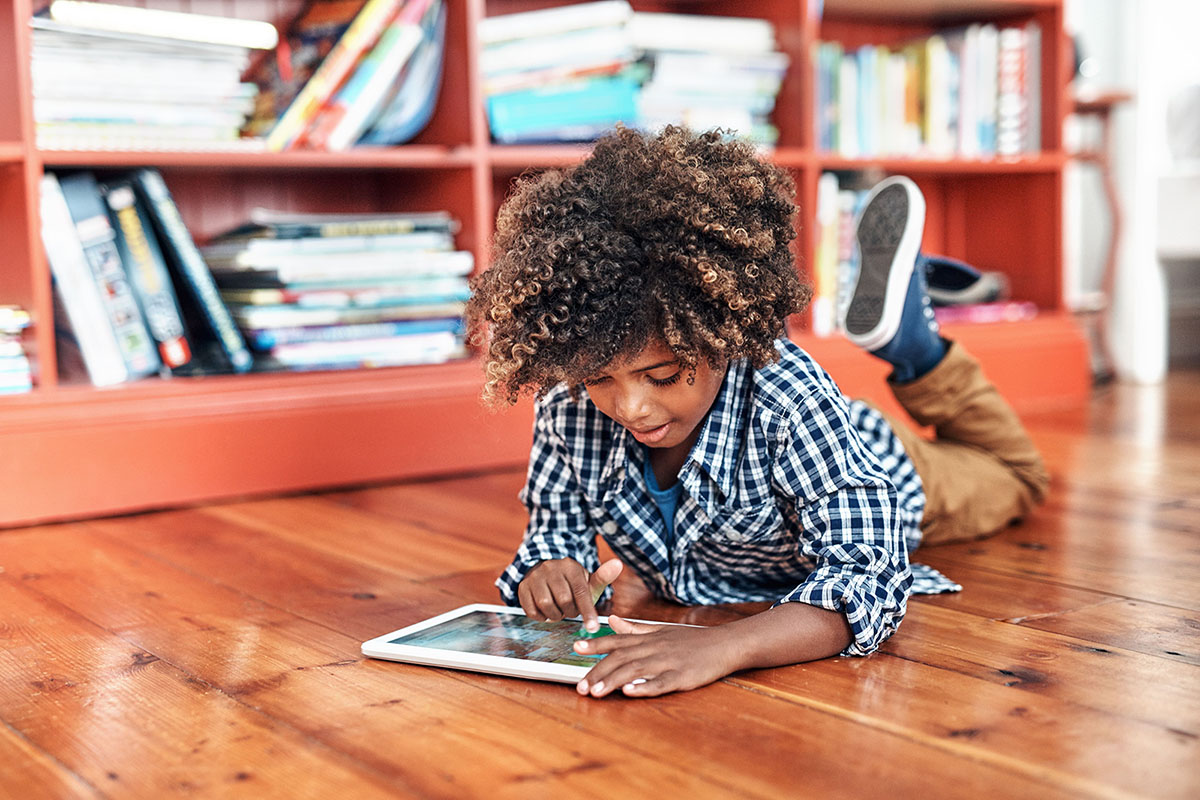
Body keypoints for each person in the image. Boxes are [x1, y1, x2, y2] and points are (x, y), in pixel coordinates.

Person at [465, 126, 1048, 699]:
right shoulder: (567, 405)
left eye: (664, 374)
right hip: (815, 446)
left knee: (1019, 477)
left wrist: (724, 647)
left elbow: (867, 575)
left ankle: (919, 352)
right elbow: (552, 532)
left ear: (728, 335)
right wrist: (550, 571)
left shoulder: (786, 396)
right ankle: (916, 343)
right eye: (599, 379)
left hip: (878, 462)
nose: (632, 407)